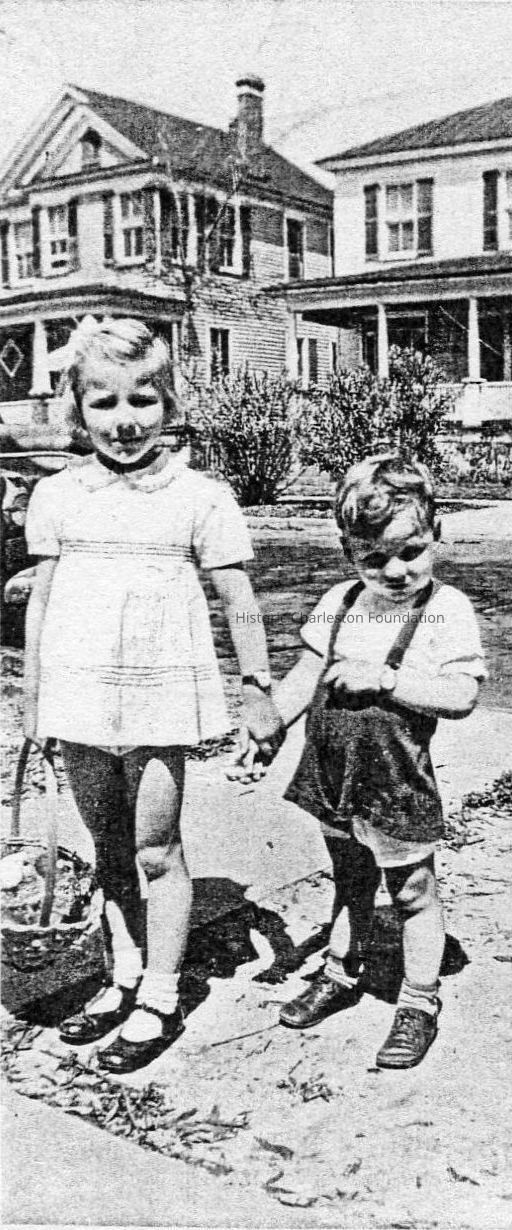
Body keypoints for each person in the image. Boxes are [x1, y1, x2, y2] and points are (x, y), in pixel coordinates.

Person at [23, 317, 283, 1073]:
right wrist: (35, 696)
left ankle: (162, 996)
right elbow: (42, 601)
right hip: (79, 694)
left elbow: (239, 602)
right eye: (103, 402)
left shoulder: (200, 496)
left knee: (155, 849)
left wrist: (257, 688)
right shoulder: (58, 495)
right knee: (106, 848)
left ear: (169, 402)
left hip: (159, 697)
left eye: (143, 398)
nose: (125, 419)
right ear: (78, 410)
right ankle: (124, 976)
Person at [235, 453, 487, 1069]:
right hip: (331, 773)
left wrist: (387, 678)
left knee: (412, 891)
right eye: (374, 559)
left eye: (411, 552)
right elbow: (306, 673)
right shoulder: (339, 601)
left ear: (436, 534)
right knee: (349, 879)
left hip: (394, 779)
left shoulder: (447, 609)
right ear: (348, 552)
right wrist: (270, 723)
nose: (395, 570)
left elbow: (461, 695)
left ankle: (419, 1000)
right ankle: (341, 970)